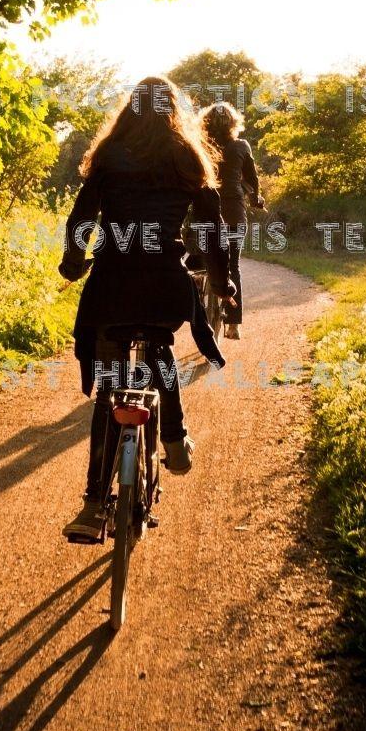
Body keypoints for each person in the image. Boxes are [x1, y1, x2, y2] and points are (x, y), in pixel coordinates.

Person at [58, 77, 235, 542]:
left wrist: (73, 264)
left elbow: (82, 219)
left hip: (113, 283)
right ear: (175, 112)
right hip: (164, 284)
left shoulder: (110, 156)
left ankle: (94, 505)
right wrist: (222, 283)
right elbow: (213, 231)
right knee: (160, 345)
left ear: (129, 111)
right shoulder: (187, 157)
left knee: (110, 389)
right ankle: (174, 439)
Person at [200, 101, 264, 340]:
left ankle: (197, 295)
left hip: (203, 214)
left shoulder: (200, 146)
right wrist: (256, 198)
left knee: (198, 260)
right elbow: (253, 179)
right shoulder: (241, 146)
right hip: (233, 214)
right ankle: (234, 325)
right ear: (233, 123)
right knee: (232, 266)